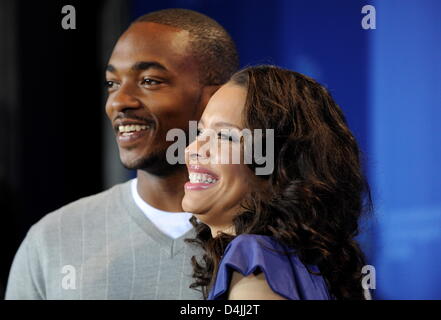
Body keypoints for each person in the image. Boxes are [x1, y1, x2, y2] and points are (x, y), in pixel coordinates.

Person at [5, 8, 238, 300]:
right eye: (112, 84)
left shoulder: (276, 234)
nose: (118, 102)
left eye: (150, 81)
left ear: (215, 99)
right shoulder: (53, 237)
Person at [182, 65, 372, 300]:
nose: (192, 150)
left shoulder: (253, 258)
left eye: (225, 136)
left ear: (281, 169)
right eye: (200, 133)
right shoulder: (304, 264)